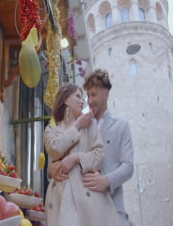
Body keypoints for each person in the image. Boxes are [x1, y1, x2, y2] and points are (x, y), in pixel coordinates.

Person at [49, 69, 134, 226]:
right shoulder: (80, 124)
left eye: (94, 95)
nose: (89, 100)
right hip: (83, 209)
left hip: (114, 205)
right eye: (87, 96)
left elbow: (128, 167)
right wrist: (52, 168)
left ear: (106, 93)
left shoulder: (121, 126)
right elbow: (63, 154)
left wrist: (106, 180)